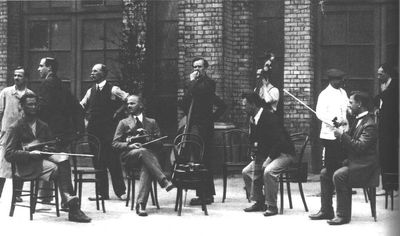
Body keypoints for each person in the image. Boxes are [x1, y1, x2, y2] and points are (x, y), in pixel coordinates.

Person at [4, 93, 91, 223]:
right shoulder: (15, 127)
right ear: (21, 106)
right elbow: (9, 154)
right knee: (59, 168)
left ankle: (70, 201)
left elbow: (51, 146)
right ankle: (72, 206)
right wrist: (29, 154)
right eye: (30, 104)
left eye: (35, 104)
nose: (33, 107)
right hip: (26, 166)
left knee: (63, 158)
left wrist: (47, 149)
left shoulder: (42, 125)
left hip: (41, 161)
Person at [309, 91, 379, 225]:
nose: (349, 106)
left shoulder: (369, 124)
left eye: (351, 103)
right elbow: (351, 143)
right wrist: (343, 130)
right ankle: (326, 210)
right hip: (355, 163)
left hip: (365, 166)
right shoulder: (358, 120)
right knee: (325, 173)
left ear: (360, 104)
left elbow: (360, 147)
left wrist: (342, 135)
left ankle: (343, 215)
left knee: (339, 175)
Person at [112, 94, 174, 216]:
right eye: (128, 103)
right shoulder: (123, 122)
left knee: (147, 167)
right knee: (142, 151)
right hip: (130, 157)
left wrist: (148, 137)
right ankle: (163, 180)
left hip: (148, 160)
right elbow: (115, 143)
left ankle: (140, 205)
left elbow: (160, 143)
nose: (129, 105)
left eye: (132, 103)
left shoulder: (152, 122)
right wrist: (129, 145)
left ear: (140, 105)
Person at [178, 57, 227, 205]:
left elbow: (201, 93)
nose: (196, 69)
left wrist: (210, 119)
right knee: (198, 159)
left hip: (204, 128)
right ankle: (203, 193)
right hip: (194, 125)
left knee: (204, 159)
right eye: (194, 67)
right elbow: (184, 102)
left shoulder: (209, 83)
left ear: (205, 68)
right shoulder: (194, 84)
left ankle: (206, 195)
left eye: (199, 67)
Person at [37, 57, 84, 204]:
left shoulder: (47, 84)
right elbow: (77, 108)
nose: (38, 69)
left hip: (51, 134)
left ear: (49, 68)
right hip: (63, 133)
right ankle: (48, 197)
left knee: (59, 163)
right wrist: (77, 131)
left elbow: (42, 110)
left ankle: (65, 199)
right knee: (60, 161)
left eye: (41, 66)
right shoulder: (62, 85)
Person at [241, 92, 296, 216]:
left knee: (269, 171)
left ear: (253, 105)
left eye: (245, 105)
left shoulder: (270, 117)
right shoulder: (253, 119)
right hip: (268, 154)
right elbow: (256, 140)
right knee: (247, 172)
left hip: (284, 153)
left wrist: (268, 160)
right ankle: (260, 202)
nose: (243, 108)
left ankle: (272, 206)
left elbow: (280, 142)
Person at [80, 63, 128, 200]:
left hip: (109, 131)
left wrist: (118, 112)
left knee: (113, 160)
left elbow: (128, 99)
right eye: (92, 71)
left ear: (103, 73)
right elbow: (82, 105)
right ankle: (102, 193)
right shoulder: (90, 91)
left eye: (95, 71)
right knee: (98, 161)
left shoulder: (113, 89)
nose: (92, 73)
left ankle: (121, 192)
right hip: (94, 132)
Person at [0, 67, 33, 200]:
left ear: (26, 78)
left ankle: (17, 194)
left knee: (21, 162)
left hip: (23, 134)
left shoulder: (30, 94)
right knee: (3, 163)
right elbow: (0, 112)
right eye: (15, 75)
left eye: (19, 76)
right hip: (7, 133)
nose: (16, 78)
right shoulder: (6, 92)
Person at [315, 68, 349, 183]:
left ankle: (341, 183)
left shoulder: (343, 92)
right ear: (331, 80)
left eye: (341, 79)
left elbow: (346, 107)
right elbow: (320, 113)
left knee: (342, 159)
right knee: (331, 162)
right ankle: (330, 185)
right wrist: (333, 121)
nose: (340, 81)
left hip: (342, 132)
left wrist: (346, 117)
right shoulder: (324, 95)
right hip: (329, 134)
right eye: (338, 79)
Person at [374, 63, 398, 196]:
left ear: (388, 73)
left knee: (392, 156)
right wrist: (378, 108)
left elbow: (387, 99)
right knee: (384, 155)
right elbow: (382, 102)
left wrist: (376, 101)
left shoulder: (395, 85)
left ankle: (394, 187)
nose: (378, 76)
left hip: (393, 127)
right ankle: (386, 186)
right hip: (384, 127)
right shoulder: (384, 85)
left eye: (381, 74)